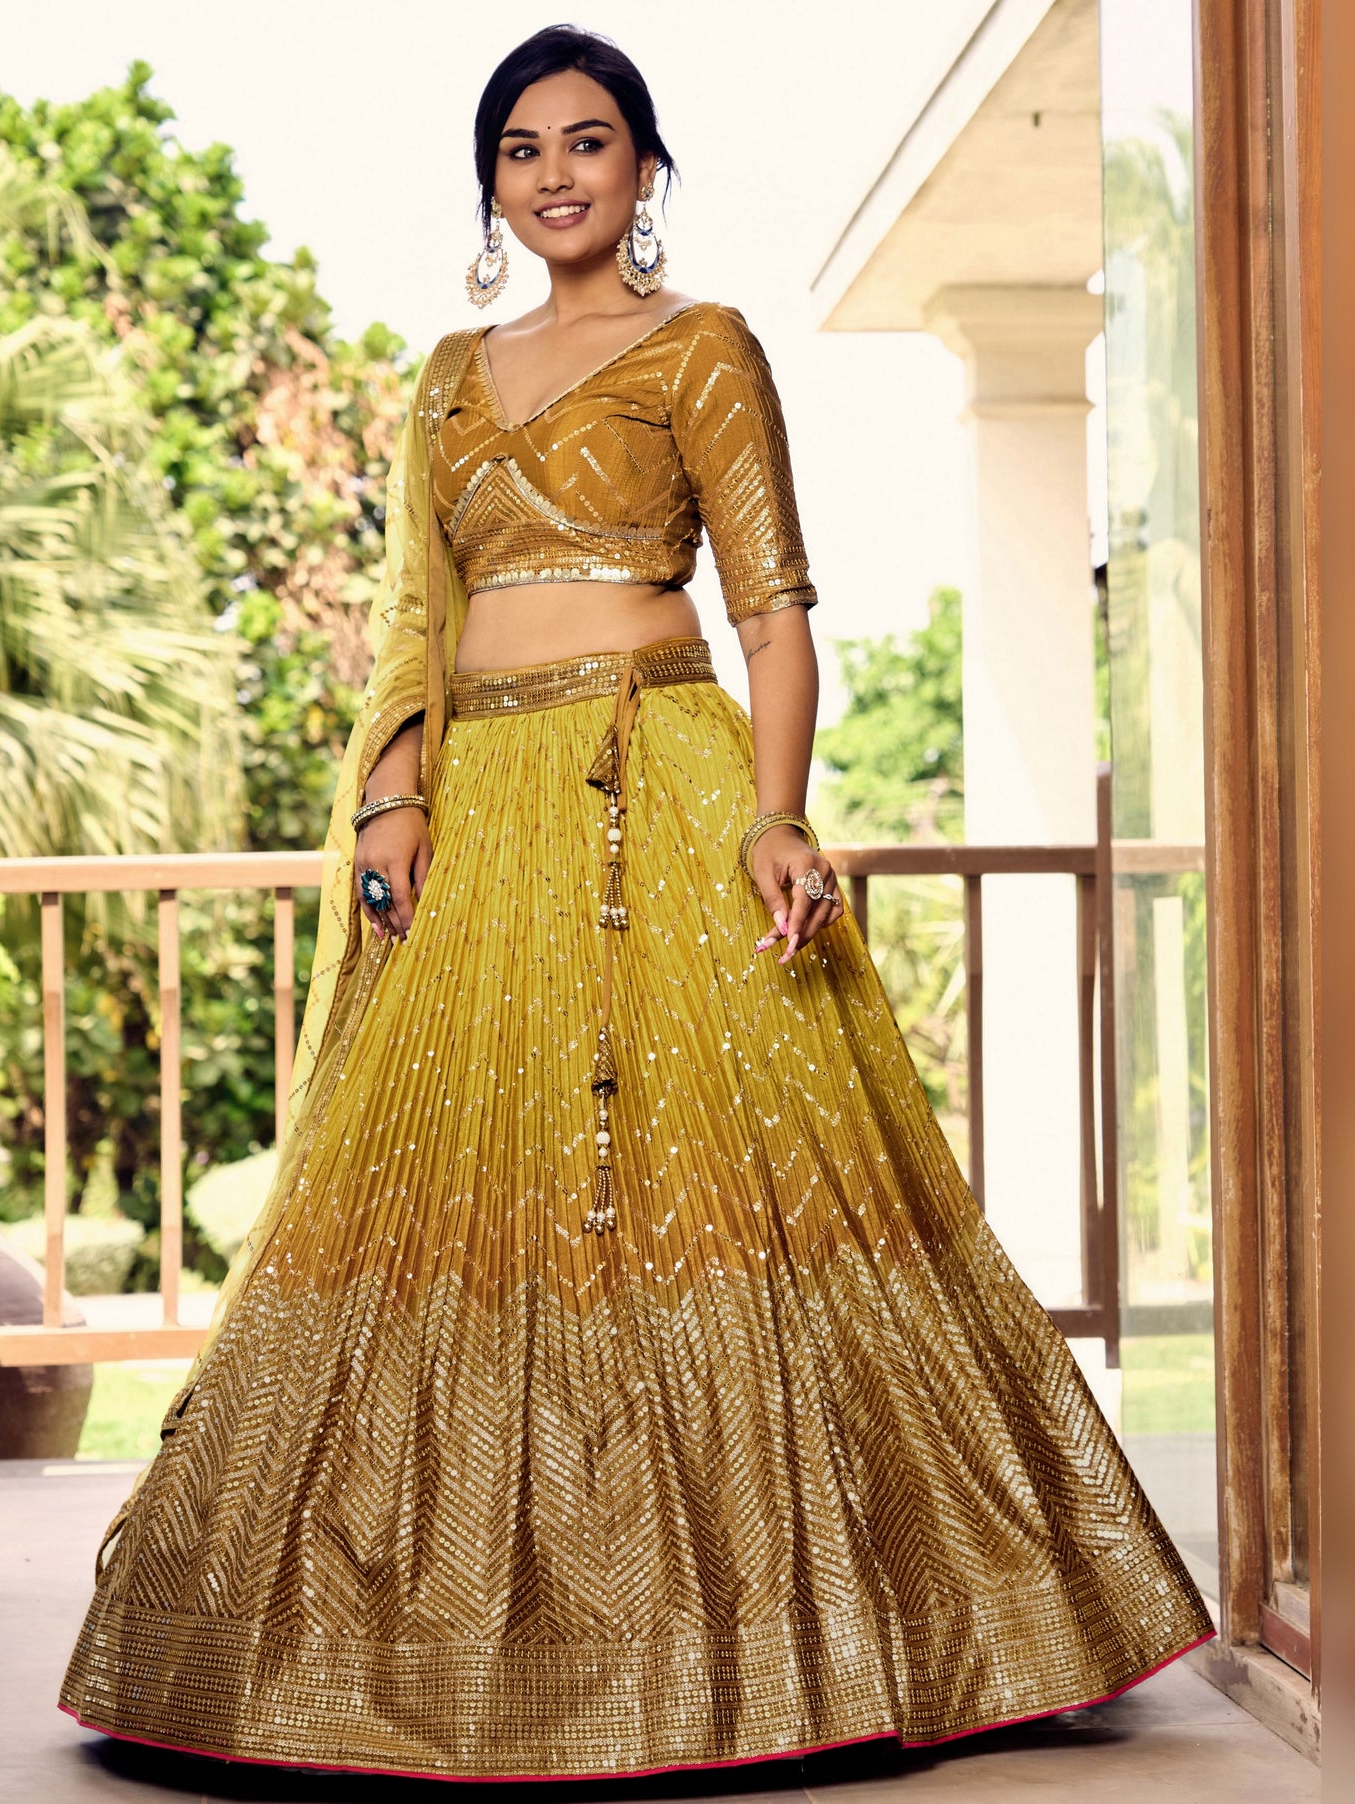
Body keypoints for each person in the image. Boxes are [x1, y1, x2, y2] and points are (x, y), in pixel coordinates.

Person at [59, 24, 1213, 1781]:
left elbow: (772, 610)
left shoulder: (702, 350)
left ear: (645, 171)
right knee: (456, 1193)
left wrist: (774, 814)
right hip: (482, 805)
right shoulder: (443, 376)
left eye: (587, 143)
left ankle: (819, 1642)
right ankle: (417, 1655)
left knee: (727, 1179)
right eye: (520, 150)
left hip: (659, 780)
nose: (554, 175)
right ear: (492, 185)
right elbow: (408, 624)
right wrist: (390, 797)